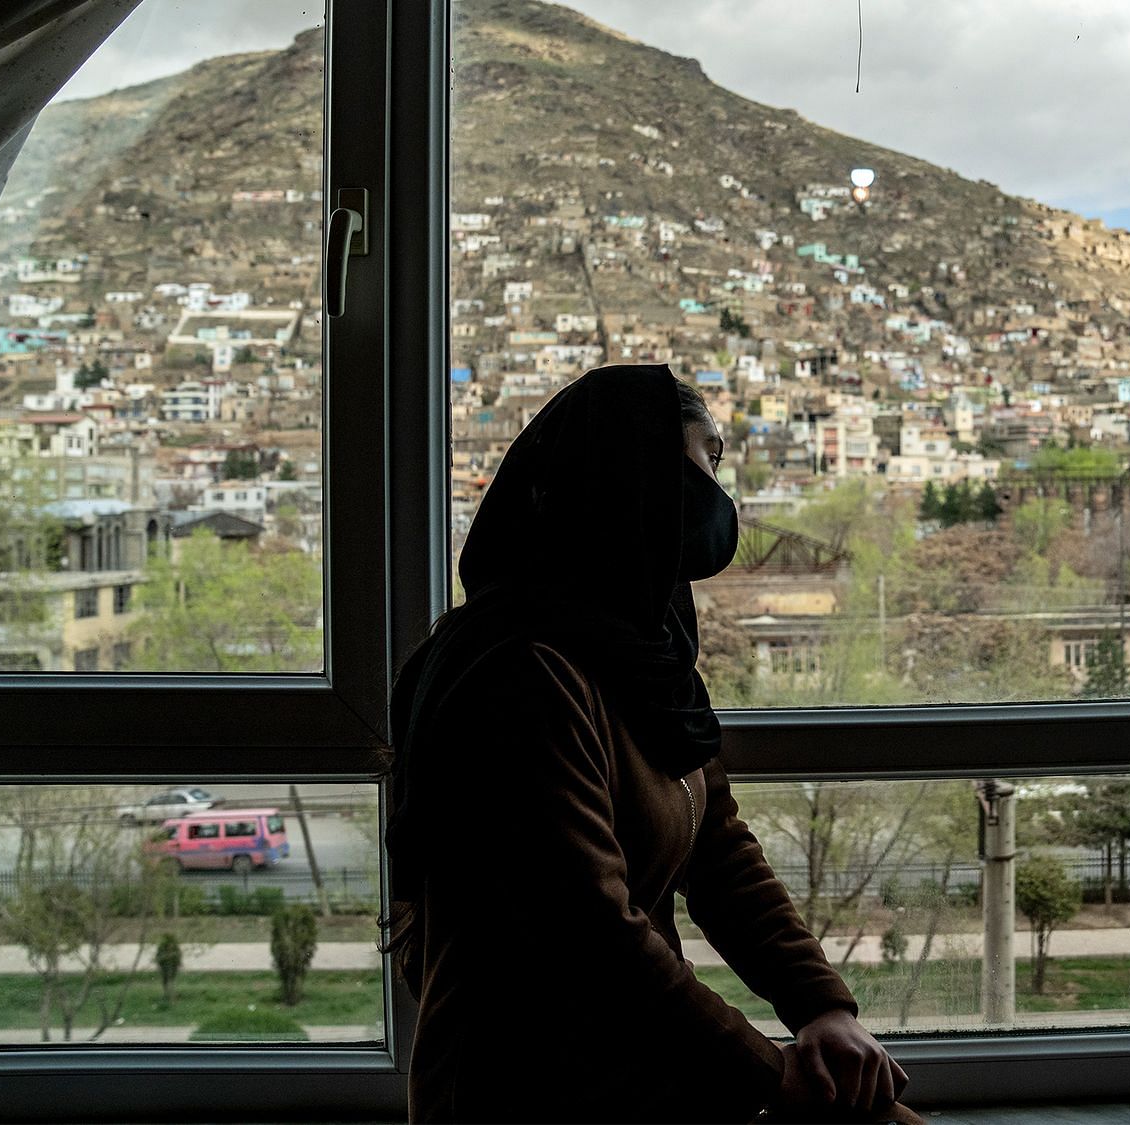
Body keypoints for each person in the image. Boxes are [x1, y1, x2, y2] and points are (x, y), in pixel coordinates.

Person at [384, 365, 918, 1123]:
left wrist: (821, 1007)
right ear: (628, 474)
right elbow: (591, 936)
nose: (715, 489)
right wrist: (770, 1070)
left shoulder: (642, 649)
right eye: (705, 458)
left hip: (646, 1065)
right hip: (534, 1092)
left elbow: (720, 847)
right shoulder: (520, 674)